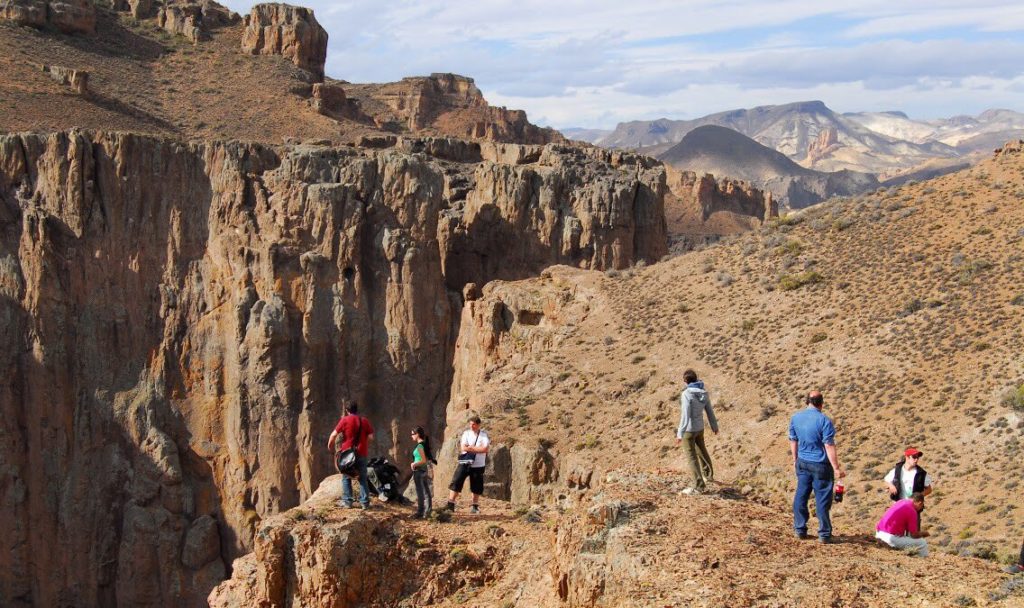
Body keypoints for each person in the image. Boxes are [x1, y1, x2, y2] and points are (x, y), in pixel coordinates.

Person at [788, 390, 846, 543]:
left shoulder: (796, 417)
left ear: (807, 402)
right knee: (822, 500)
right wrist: (836, 468)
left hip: (802, 462)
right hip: (820, 465)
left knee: (801, 495)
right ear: (821, 403)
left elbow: (793, 440)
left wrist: (795, 459)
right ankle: (824, 534)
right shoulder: (824, 421)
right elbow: (829, 445)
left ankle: (800, 529)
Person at [675, 369, 719, 494]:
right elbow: (709, 411)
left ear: (685, 381)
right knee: (702, 450)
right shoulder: (704, 393)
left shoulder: (686, 394)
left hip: (689, 430)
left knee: (691, 457)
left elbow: (685, 415)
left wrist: (680, 433)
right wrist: (714, 426)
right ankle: (708, 475)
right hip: (700, 428)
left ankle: (698, 485)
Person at [327, 401, 374, 510]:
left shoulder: (344, 420)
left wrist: (330, 446)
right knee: (362, 477)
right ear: (356, 409)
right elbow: (371, 437)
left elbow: (333, 435)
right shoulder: (364, 421)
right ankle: (365, 503)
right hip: (361, 452)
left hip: (347, 453)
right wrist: (363, 444)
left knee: (346, 476)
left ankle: (348, 502)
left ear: (347, 410)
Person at [446, 415, 490, 514]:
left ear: (478, 425)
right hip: (465, 463)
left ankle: (475, 506)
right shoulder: (466, 434)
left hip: (478, 465)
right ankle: (450, 504)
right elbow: (463, 448)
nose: (471, 426)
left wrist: (471, 448)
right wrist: (477, 449)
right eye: (470, 424)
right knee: (456, 481)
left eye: (473, 424)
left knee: (476, 486)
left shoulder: (483, 435)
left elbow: (485, 449)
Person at [875, 492, 930, 556]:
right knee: (922, 542)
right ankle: (924, 561)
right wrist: (924, 533)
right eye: (922, 506)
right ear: (920, 503)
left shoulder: (900, 501)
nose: (921, 508)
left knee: (905, 538)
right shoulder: (912, 510)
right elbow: (914, 535)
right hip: (890, 538)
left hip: (879, 533)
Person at [410, 426, 437, 519]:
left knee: (420, 492)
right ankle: (428, 511)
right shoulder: (423, 444)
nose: (411, 436)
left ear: (417, 434)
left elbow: (423, 460)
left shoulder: (420, 446)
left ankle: (420, 512)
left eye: (413, 434)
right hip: (423, 470)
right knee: (426, 491)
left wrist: (414, 464)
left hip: (419, 470)